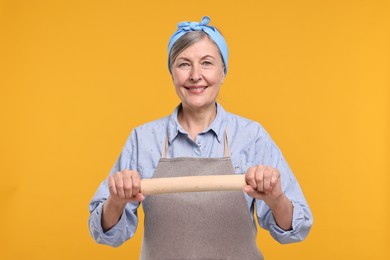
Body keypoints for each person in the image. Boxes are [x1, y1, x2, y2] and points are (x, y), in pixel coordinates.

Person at [89, 16, 313, 259]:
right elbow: (104, 233)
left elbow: (295, 230)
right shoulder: (143, 139)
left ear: (223, 71)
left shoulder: (252, 136)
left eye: (207, 63)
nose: (195, 75)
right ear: (172, 73)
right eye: (184, 64)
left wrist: (276, 197)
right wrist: (116, 201)